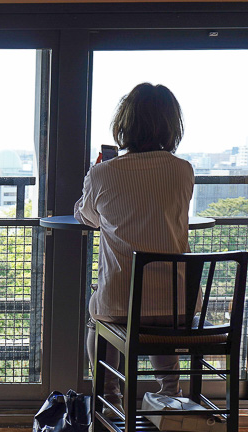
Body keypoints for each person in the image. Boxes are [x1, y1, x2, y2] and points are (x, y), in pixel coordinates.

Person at [74, 82, 194, 404]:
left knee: (98, 315)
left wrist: (94, 175)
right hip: (177, 306)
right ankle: (170, 393)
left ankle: (109, 396)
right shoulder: (184, 171)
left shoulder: (103, 173)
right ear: (172, 126)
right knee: (157, 309)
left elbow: (87, 217)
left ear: (124, 124)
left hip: (121, 307)